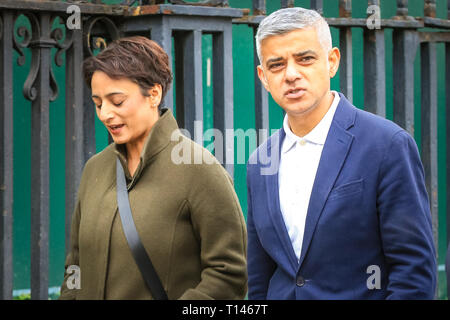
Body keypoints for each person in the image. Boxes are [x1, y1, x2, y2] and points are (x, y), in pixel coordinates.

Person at [246, 7, 436, 299]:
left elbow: (414, 273)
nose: (291, 74)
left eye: (305, 59)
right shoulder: (260, 162)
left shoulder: (386, 145)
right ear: (263, 76)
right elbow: (261, 276)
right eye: (276, 65)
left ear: (332, 61)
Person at [59, 36, 247, 300]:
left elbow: (228, 275)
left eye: (117, 101)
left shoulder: (200, 169)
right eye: (98, 103)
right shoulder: (95, 169)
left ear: (154, 94)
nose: (105, 114)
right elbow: (75, 265)